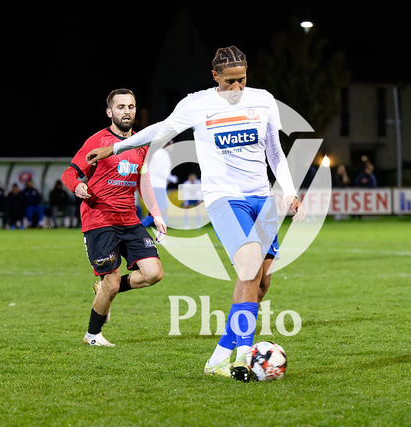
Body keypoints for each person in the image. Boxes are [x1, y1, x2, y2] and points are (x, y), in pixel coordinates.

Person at [86, 46, 304, 381]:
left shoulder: (263, 100)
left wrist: (288, 190)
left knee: (259, 285)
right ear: (215, 76)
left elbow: (274, 151)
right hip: (225, 199)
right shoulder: (196, 104)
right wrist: (115, 147)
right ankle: (244, 356)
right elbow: (159, 130)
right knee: (248, 267)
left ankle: (217, 358)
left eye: (242, 80)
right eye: (229, 81)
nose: (237, 88)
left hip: (263, 200)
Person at [61, 88, 167, 347]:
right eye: (121, 107)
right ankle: (92, 335)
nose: (127, 111)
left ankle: (105, 289)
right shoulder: (97, 141)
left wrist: (156, 214)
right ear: (109, 112)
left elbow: (143, 181)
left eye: (131, 106)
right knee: (111, 281)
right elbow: (70, 173)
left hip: (129, 219)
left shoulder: (140, 143)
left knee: (153, 273)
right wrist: (77, 185)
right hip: (99, 219)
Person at [140, 141, 177, 228]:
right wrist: (171, 178)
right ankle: (142, 225)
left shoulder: (158, 153)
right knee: (162, 208)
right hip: (158, 185)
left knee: (158, 208)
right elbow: (159, 171)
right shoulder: (163, 154)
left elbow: (152, 169)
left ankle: (158, 226)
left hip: (154, 184)